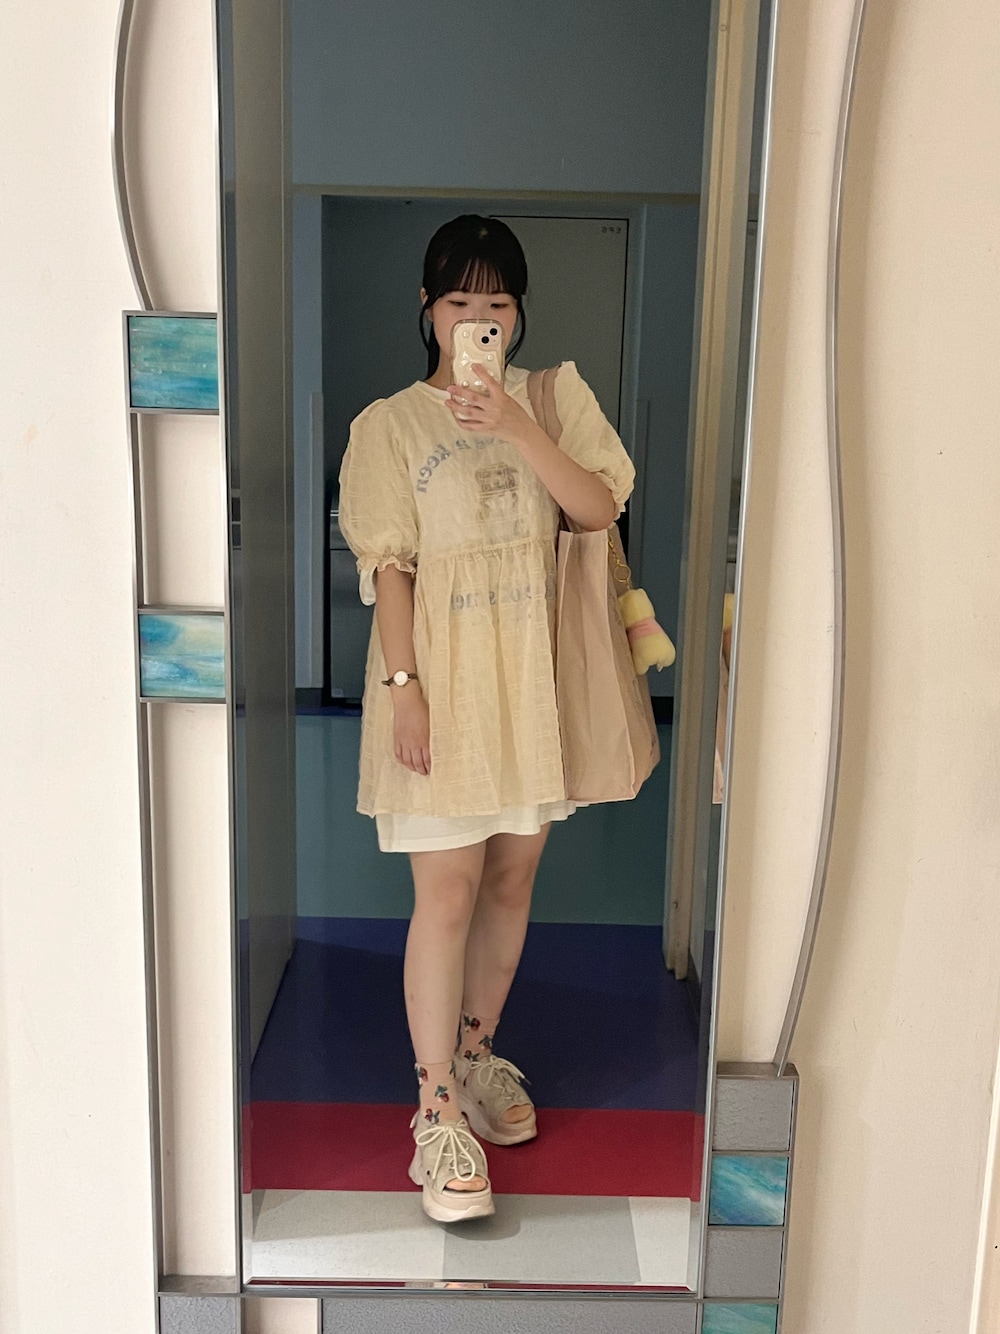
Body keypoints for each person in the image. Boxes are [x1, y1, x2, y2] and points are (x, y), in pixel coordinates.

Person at [338, 214, 635, 1223]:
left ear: (517, 315)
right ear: (427, 309)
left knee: (511, 877)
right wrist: (405, 688)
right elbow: (389, 566)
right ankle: (433, 1116)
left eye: (497, 302)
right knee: (448, 890)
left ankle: (474, 1058)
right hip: (439, 682)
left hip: (530, 686)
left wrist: (514, 425)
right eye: (460, 300)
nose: (480, 317)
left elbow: (596, 509)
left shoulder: (553, 399)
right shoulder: (388, 426)